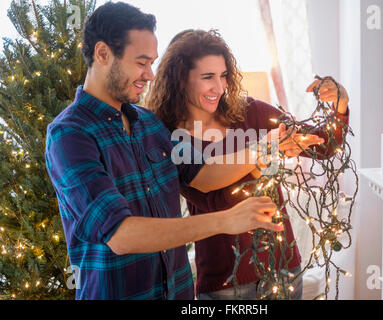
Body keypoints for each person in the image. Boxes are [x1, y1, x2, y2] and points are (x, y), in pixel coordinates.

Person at [44, 3, 316, 300]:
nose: (149, 75)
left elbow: (203, 173)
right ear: (103, 53)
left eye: (152, 63)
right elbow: (121, 235)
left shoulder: (149, 124)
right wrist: (226, 220)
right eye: (141, 62)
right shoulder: (70, 134)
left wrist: (264, 148)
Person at [147, 29, 350, 299]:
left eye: (223, 76)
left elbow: (323, 145)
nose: (219, 87)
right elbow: (214, 196)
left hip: (284, 270)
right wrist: (264, 152)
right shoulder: (169, 135)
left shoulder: (251, 113)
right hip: (226, 282)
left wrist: (341, 104)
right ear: (180, 80)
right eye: (207, 77)